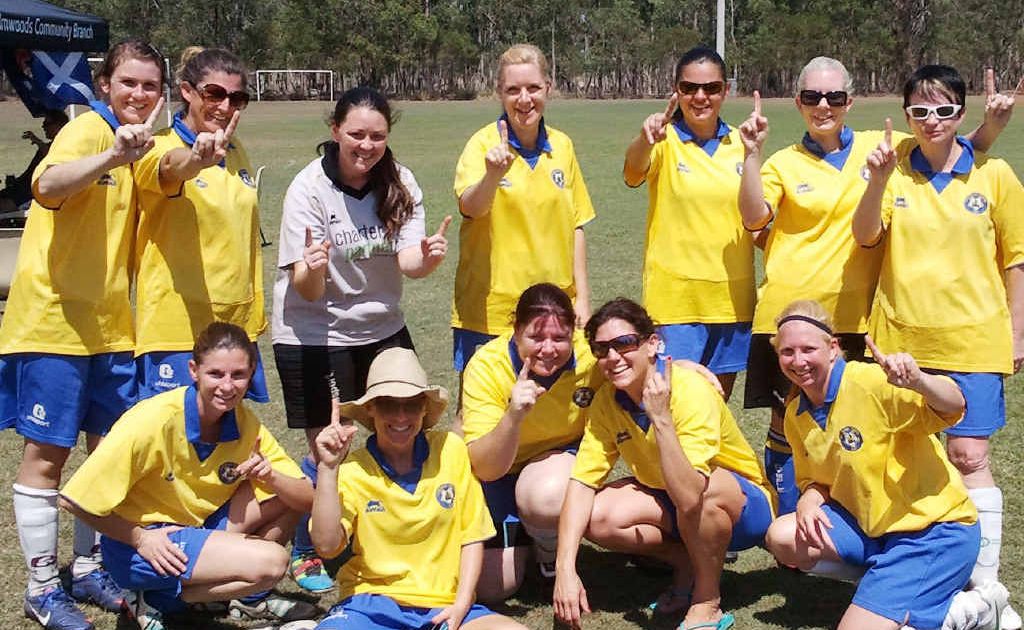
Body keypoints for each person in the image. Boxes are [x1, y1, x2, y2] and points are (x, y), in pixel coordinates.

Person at [736, 57, 1013, 518]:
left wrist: (991, 128)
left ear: (851, 101)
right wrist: (751, 153)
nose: (823, 106)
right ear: (797, 101)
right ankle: (787, 522)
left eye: (835, 97)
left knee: (858, 424)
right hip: (790, 317)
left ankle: (855, 519)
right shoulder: (782, 161)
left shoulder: (883, 147)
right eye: (811, 97)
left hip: (859, 320)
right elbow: (753, 218)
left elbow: (944, 143)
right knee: (788, 423)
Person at [0, 39, 165, 630]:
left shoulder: (139, 144)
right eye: (128, 83)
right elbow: (46, 187)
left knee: (108, 454)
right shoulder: (87, 132)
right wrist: (110, 157)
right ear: (104, 85)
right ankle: (42, 588)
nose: (138, 95)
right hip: (54, 325)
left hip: (110, 328)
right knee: (47, 456)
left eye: (149, 85)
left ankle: (88, 565)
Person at [852, 64, 1024, 629]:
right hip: (902, 343)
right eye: (920, 110)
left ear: (961, 112)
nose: (932, 121)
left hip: (976, 339)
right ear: (906, 116)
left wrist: (1018, 332)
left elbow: (1016, 259)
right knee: (912, 457)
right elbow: (865, 235)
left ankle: (987, 586)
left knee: (969, 456)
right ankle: (934, 578)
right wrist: (876, 178)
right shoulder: (894, 165)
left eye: (945, 109)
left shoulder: (995, 173)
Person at [272, 85, 449, 593]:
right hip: (315, 335)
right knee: (332, 445)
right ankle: (310, 546)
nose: (366, 145)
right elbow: (304, 287)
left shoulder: (400, 181)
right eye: (356, 135)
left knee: (400, 430)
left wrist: (429, 258)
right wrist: (312, 268)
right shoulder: (308, 189)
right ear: (335, 131)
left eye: (376, 136)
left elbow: (409, 263)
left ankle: (387, 530)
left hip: (383, 329)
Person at [58, 322, 319, 630]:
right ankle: (159, 600)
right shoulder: (152, 419)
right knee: (272, 562)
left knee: (284, 494)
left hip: (196, 527)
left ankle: (245, 601)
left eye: (238, 375)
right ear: (194, 370)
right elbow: (74, 499)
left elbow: (307, 498)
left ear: (251, 376)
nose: (227, 386)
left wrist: (271, 477)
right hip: (147, 545)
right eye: (216, 374)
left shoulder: (244, 423)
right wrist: (140, 538)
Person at [764, 300, 992, 630]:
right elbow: (817, 480)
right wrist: (808, 499)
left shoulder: (872, 382)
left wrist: (919, 382)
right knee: (783, 536)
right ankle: (890, 590)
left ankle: (970, 610)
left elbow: (954, 406)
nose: (798, 361)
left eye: (808, 349)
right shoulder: (796, 411)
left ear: (832, 348)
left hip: (934, 531)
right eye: (788, 352)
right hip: (874, 530)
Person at [554, 298, 773, 630]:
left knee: (704, 491)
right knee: (597, 515)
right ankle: (687, 564)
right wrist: (565, 569)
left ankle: (707, 600)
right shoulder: (607, 402)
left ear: (652, 344)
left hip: (742, 508)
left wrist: (661, 418)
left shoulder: (690, 390)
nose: (613, 357)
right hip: (675, 499)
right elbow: (582, 482)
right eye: (601, 349)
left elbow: (690, 495)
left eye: (624, 343)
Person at [310, 347, 528, 630]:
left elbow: (472, 537)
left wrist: (462, 603)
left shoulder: (451, 450)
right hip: (370, 605)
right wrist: (327, 469)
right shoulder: (353, 469)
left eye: (411, 404)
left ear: (425, 407)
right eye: (389, 404)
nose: (401, 417)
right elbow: (327, 546)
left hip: (445, 605)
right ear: (370, 408)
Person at [132, 46, 269, 404]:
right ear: (187, 91)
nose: (225, 107)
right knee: (172, 444)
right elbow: (172, 168)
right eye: (214, 94)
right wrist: (195, 159)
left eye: (237, 98)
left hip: (234, 331)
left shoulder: (235, 150)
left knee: (224, 444)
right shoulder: (157, 146)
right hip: (177, 331)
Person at [451, 43, 595, 377]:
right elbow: (470, 208)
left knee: (553, 411)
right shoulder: (482, 144)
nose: (524, 99)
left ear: (548, 87)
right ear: (500, 93)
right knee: (477, 409)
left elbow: (577, 225)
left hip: (553, 308)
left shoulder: (563, 146)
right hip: (491, 309)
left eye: (532, 88)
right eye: (513, 90)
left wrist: (583, 299)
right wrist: (492, 175)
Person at [622, 46, 754, 401]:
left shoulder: (742, 143)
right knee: (678, 405)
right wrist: (645, 138)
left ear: (725, 91)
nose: (700, 97)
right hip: (675, 301)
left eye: (711, 88)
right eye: (689, 88)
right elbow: (633, 172)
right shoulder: (663, 141)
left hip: (731, 300)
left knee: (713, 409)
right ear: (676, 91)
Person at [460, 283, 601, 600]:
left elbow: (636, 362)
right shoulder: (486, 366)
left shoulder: (591, 354)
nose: (549, 349)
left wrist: (685, 368)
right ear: (515, 329)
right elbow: (485, 468)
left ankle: (547, 549)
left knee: (545, 494)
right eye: (536, 338)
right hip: (501, 472)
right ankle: (526, 530)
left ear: (573, 332)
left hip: (554, 472)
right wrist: (513, 416)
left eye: (559, 337)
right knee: (494, 588)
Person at [0, 109, 69, 217]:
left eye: (47, 124)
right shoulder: (46, 147)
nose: (43, 127)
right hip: (22, 187)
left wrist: (38, 141)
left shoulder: (65, 147)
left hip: (33, 191)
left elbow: (52, 156)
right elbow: (29, 173)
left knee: (5, 204)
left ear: (59, 125)